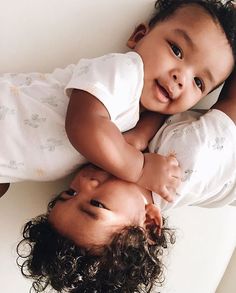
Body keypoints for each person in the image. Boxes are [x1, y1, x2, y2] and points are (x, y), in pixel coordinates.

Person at [16, 68, 236, 293]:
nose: (84, 182)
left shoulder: (123, 156)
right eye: (97, 204)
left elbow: (161, 110)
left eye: (70, 193)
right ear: (149, 223)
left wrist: (140, 134)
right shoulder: (186, 158)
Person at [1, 0, 235, 201]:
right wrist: (140, 168)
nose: (181, 77)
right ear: (139, 37)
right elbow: (83, 125)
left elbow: (140, 132)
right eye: (176, 50)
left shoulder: (136, 106)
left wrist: (142, 134)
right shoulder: (123, 70)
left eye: (198, 82)